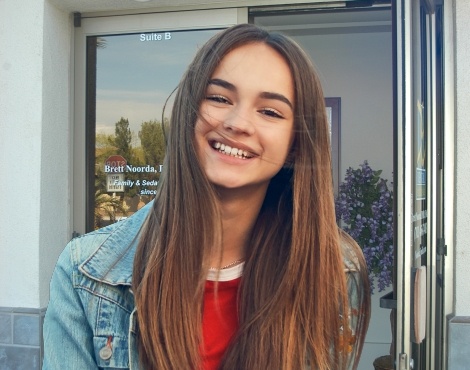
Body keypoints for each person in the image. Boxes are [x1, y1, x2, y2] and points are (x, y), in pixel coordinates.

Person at [43, 23, 370, 370]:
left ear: (295, 145)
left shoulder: (334, 270)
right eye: (219, 98)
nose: (238, 122)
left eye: (270, 111)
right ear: (188, 113)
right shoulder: (86, 273)